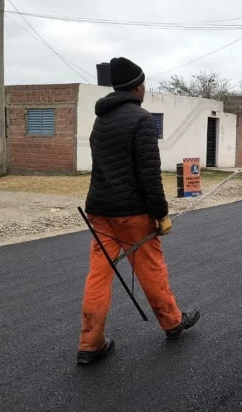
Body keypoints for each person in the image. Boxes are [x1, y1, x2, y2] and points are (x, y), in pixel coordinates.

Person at [76, 56, 200, 366]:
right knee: (150, 269)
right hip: (133, 214)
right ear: (137, 86)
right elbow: (149, 173)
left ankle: (90, 343)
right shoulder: (143, 119)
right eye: (144, 83)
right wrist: (161, 213)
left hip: (100, 213)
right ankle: (173, 322)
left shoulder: (100, 119)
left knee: (98, 276)